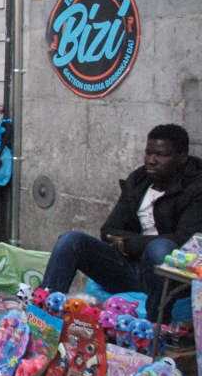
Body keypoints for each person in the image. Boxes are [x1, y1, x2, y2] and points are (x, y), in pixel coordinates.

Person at [41, 124, 202, 317]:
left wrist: (129, 244)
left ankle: (155, 327)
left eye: (161, 155)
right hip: (129, 270)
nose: (152, 161)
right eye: (148, 153)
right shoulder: (139, 179)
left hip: (168, 278)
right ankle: (44, 313)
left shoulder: (195, 187)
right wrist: (132, 246)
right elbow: (108, 231)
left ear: (182, 157)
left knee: (160, 248)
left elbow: (182, 240)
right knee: (71, 240)